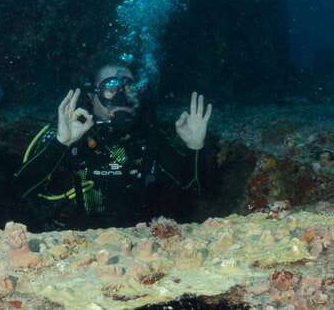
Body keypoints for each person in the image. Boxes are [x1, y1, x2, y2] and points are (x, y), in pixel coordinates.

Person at [14, 64, 212, 230]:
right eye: (111, 88)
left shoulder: (149, 137)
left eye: (130, 89)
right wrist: (60, 144)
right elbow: (18, 192)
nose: (122, 97)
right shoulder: (69, 134)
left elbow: (196, 190)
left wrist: (195, 148)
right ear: (93, 96)